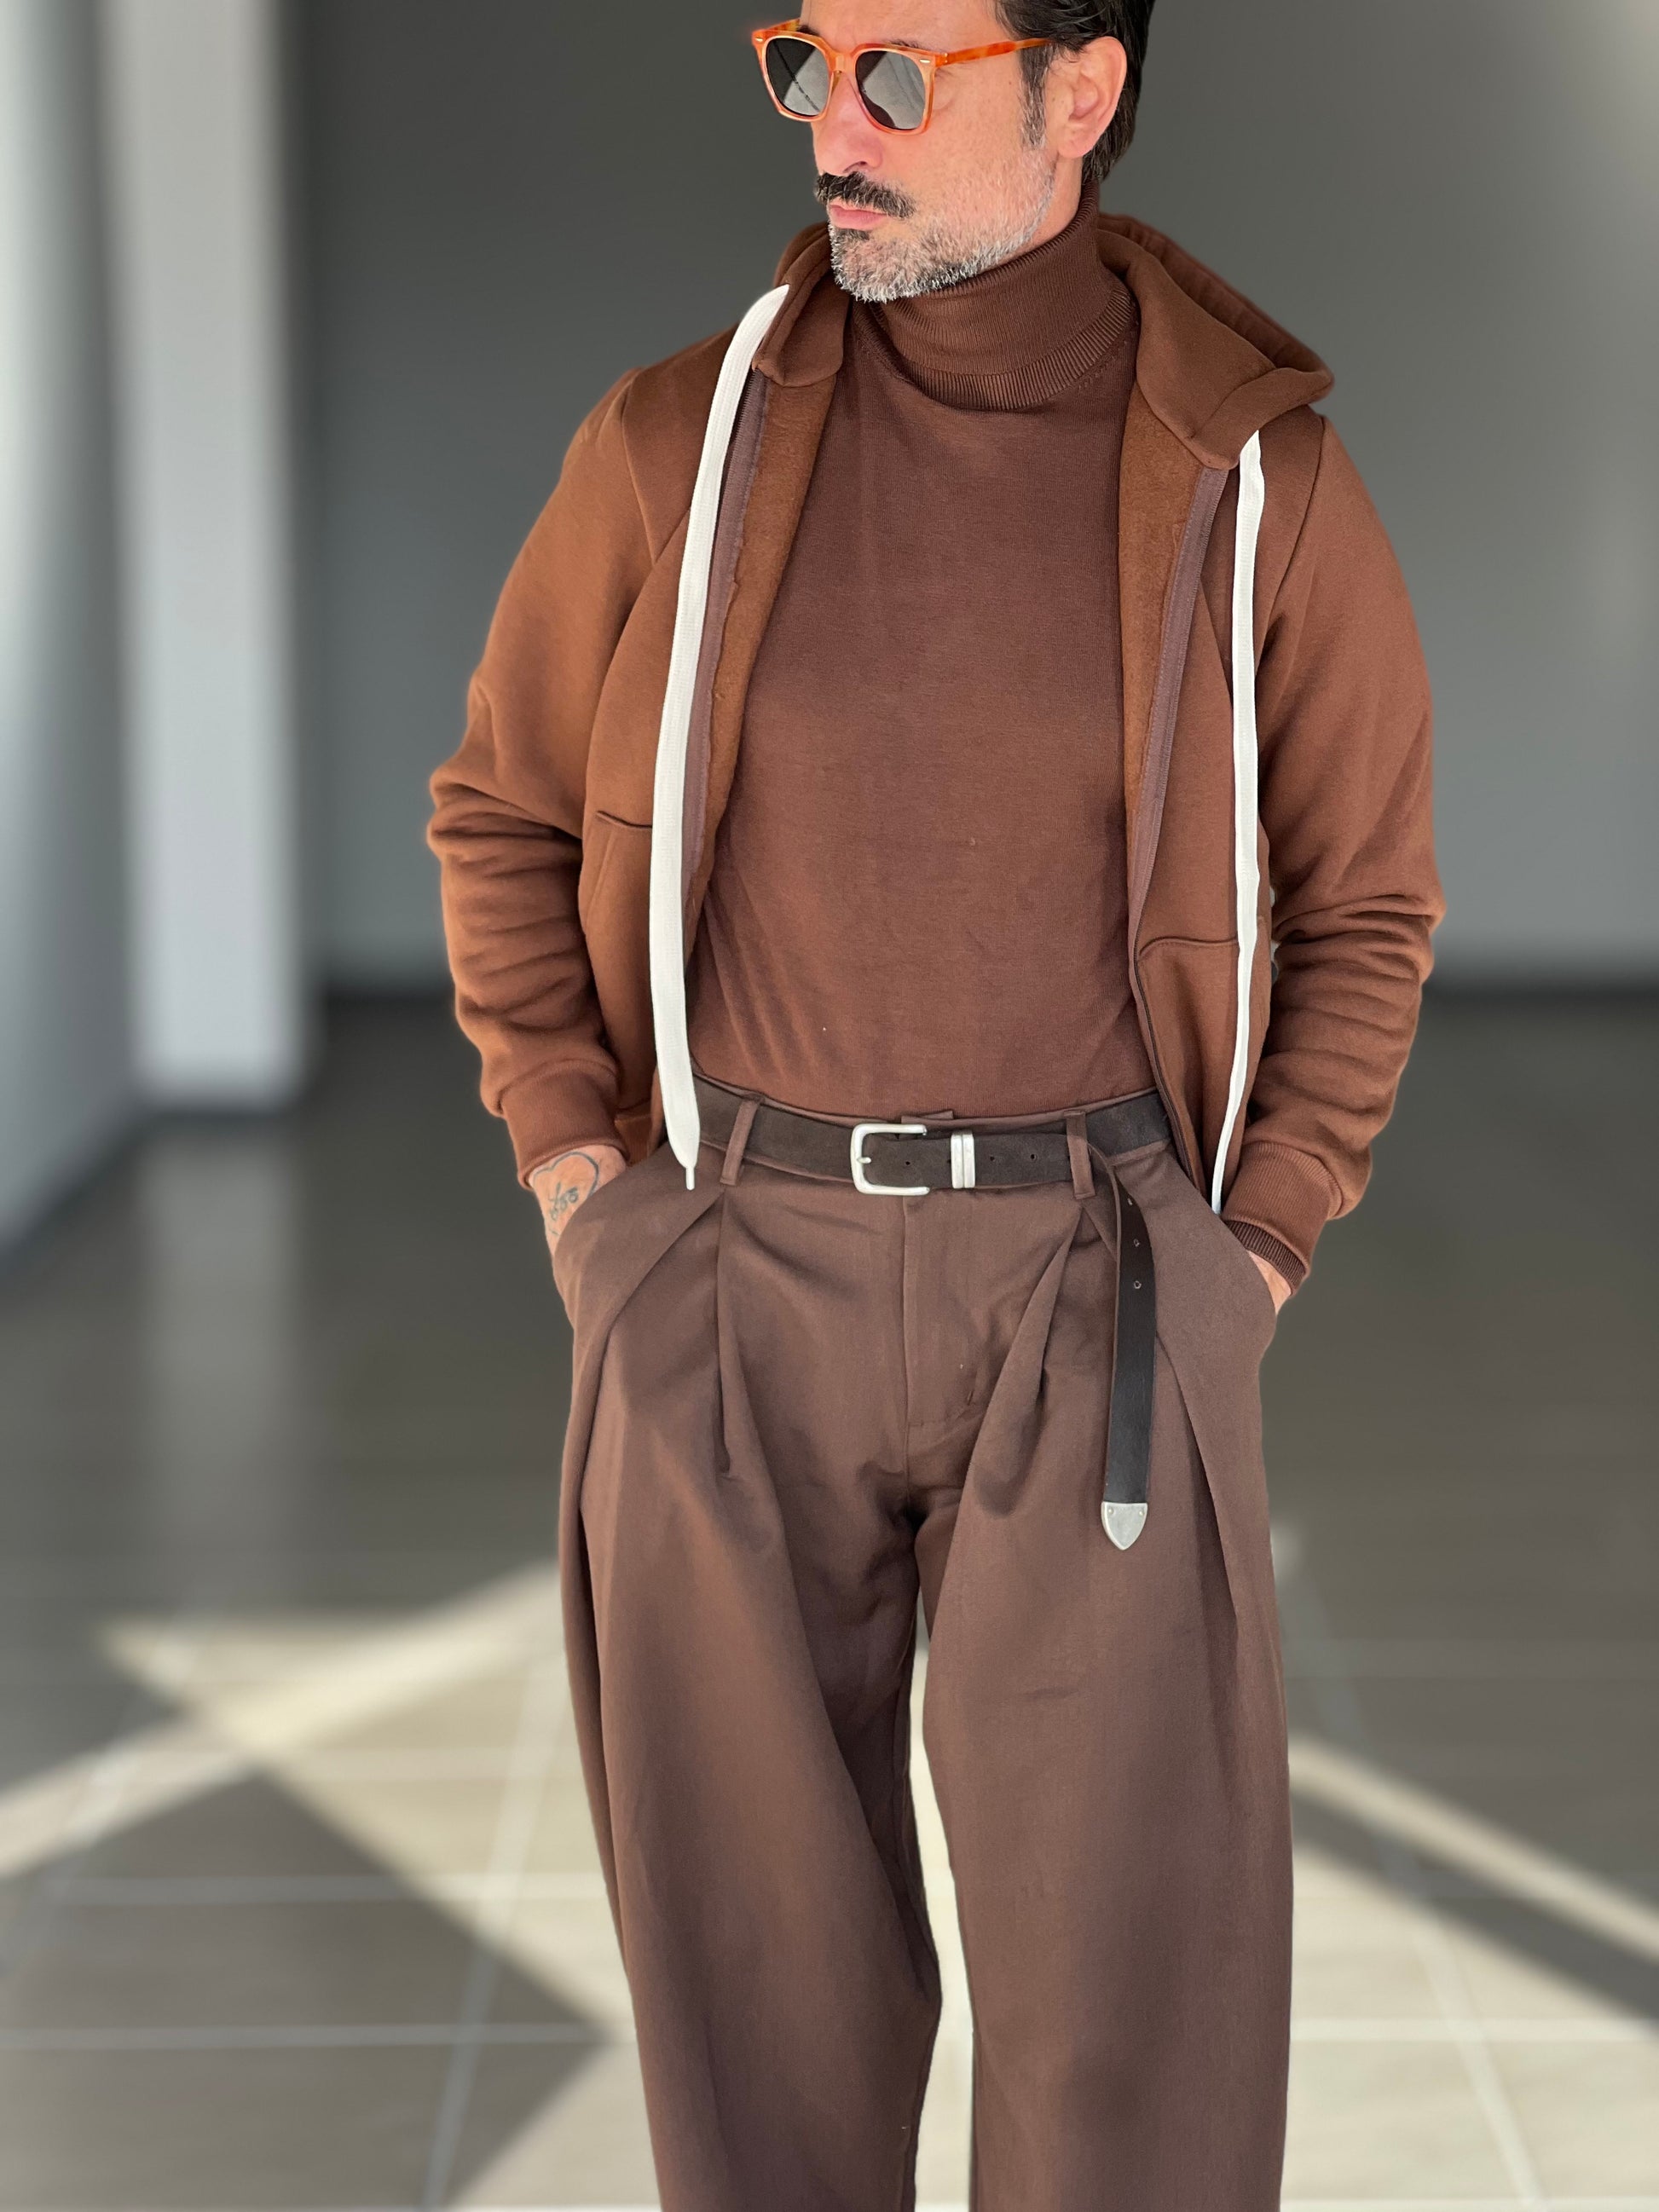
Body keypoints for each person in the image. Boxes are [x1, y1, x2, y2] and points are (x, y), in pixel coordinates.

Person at [428, 4, 1444, 2204]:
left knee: (1126, 2031)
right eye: (803, 57)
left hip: (1099, 1291)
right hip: (724, 1274)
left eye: (904, 70)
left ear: (1080, 90)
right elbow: (499, 811)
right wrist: (587, 1182)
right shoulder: (673, 444)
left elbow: (1367, 904)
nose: (834, 122)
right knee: (754, 2027)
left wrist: (1251, 1248)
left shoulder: (1255, 482)